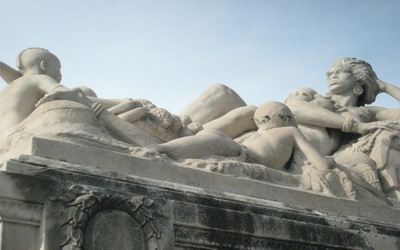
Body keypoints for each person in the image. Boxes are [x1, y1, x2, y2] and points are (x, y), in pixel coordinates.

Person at [284, 58, 400, 192]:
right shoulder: (312, 95)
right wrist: (355, 126)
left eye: (341, 71)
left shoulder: (368, 113)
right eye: (329, 73)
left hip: (324, 157)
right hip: (288, 144)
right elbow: (293, 109)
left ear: (359, 78)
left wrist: (383, 86)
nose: (332, 75)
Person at [0, 48, 157, 146]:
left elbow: (19, 77)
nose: (61, 74)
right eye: (58, 68)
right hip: (20, 132)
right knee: (83, 91)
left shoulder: (12, 87)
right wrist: (121, 102)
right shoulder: (39, 79)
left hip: (4, 137)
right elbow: (73, 95)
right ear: (44, 66)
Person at [150, 101, 332, 172]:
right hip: (242, 151)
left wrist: (328, 162)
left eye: (262, 120)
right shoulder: (261, 134)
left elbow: (320, 163)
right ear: (286, 118)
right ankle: (163, 149)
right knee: (211, 134)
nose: (260, 125)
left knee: (215, 139)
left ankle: (161, 149)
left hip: (249, 156)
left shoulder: (290, 131)